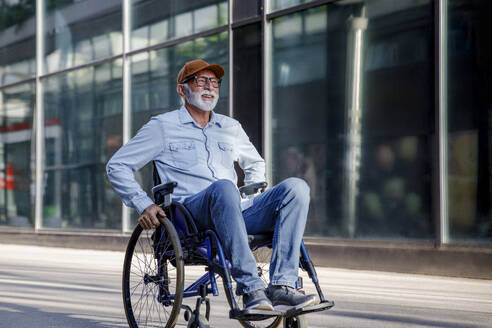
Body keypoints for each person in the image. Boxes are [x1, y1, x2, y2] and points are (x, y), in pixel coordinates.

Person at [106, 59, 316, 312]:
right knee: (224, 187)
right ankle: (251, 289)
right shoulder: (163, 126)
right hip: (192, 217)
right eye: (200, 81)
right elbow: (117, 166)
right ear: (182, 90)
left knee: (296, 188)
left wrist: (254, 190)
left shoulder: (230, 127)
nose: (209, 87)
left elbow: (255, 164)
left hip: (235, 210)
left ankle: (283, 285)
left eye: (214, 82)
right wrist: (144, 204)